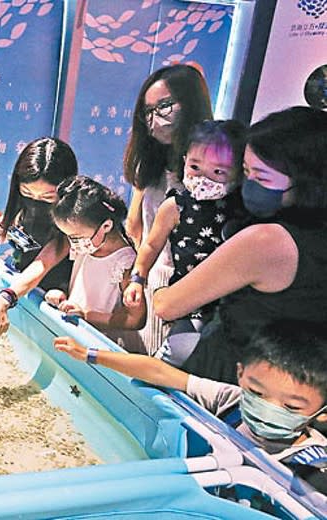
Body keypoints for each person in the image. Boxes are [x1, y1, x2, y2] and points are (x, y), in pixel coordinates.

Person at [153, 106, 327, 383]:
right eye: (245, 172)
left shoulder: (267, 241)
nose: (248, 185)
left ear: (307, 180)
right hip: (293, 387)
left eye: (262, 177)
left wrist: (158, 288)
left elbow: (168, 305)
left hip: (226, 374)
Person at [54, 320, 327, 494]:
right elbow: (162, 372)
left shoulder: (315, 468)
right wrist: (89, 354)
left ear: (322, 412)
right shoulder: (231, 399)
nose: (269, 407)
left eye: (291, 406)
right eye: (256, 391)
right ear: (241, 373)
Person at [123, 120, 247, 366]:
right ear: (184, 161)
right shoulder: (176, 205)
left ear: (239, 173)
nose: (203, 178)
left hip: (232, 304)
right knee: (173, 356)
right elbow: (150, 245)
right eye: (195, 167)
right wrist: (137, 279)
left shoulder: (242, 208)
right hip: (190, 301)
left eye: (218, 172)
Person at [123, 65, 213, 354]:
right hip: (150, 275)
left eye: (164, 106)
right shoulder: (148, 161)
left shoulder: (213, 164)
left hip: (193, 286)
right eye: (147, 111)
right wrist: (138, 275)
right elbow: (134, 225)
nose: (155, 119)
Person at [42, 176, 146, 352]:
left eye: (76, 237)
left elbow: (135, 319)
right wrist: (62, 297)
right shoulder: (86, 248)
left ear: (106, 226)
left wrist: (86, 315)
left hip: (102, 347)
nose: (73, 243)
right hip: (75, 337)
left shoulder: (126, 263)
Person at [0, 137, 77, 292]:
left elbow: (44, 261)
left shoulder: (73, 222)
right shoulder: (18, 210)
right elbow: (27, 248)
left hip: (55, 294)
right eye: (27, 192)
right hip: (24, 286)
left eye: (47, 197)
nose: (35, 202)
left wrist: (9, 295)